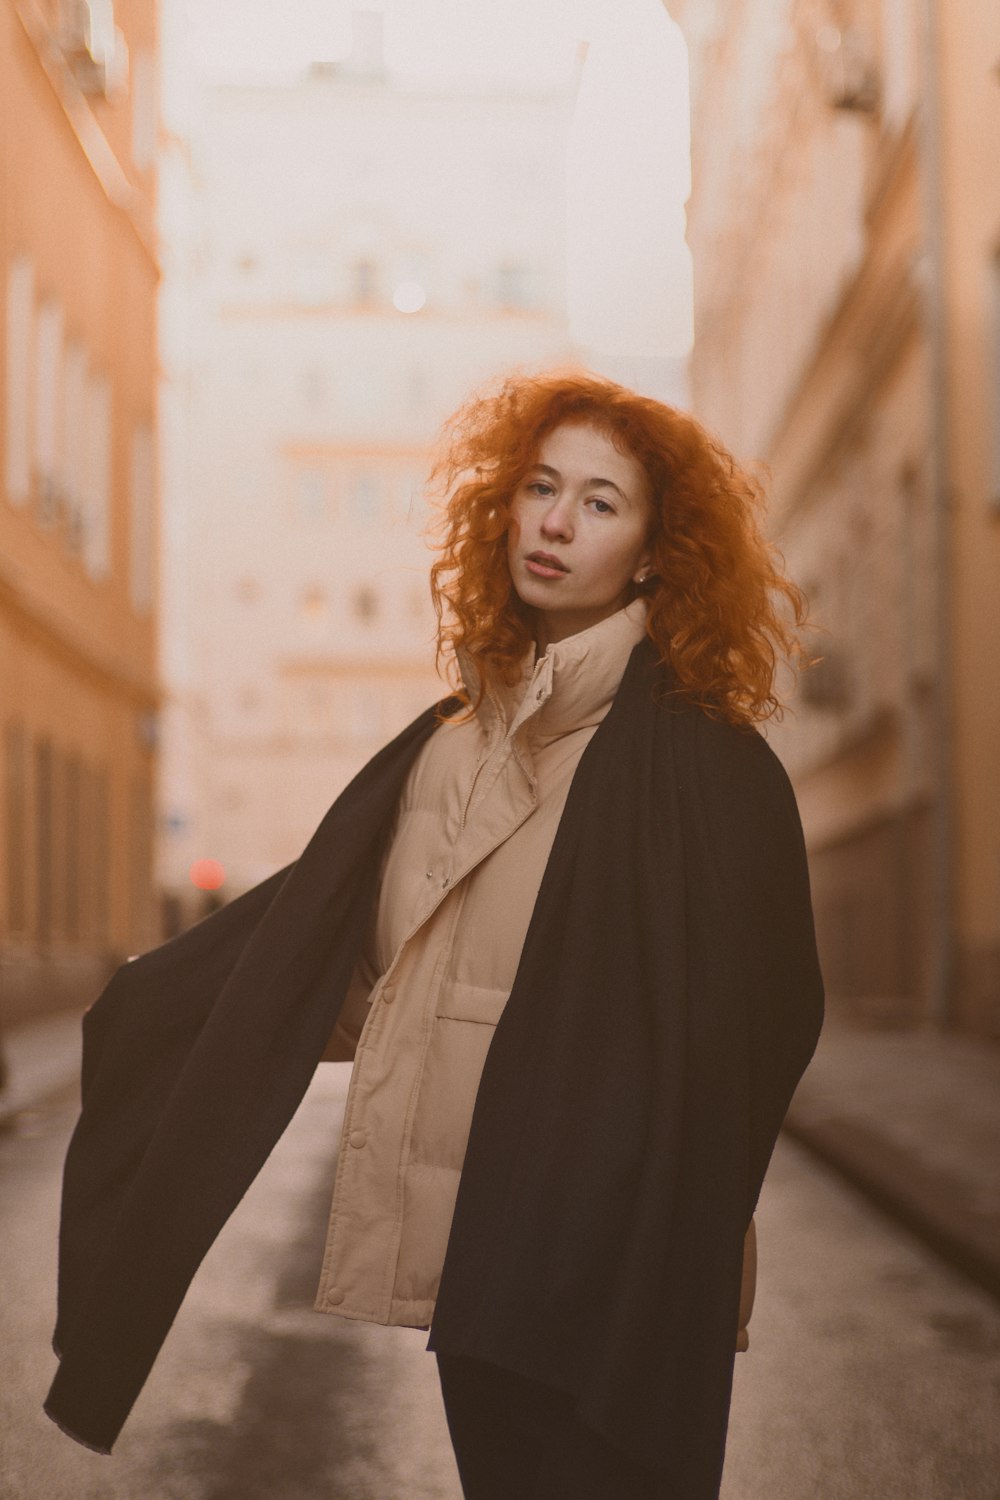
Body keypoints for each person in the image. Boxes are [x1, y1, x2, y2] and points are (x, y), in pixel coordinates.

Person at [45, 371, 824, 1499]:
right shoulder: (445, 752)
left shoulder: (707, 765)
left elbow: (768, 1018)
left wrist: (664, 1218)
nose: (555, 522)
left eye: (601, 503)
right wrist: (178, 1021)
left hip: (616, 1267)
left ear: (657, 552)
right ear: (502, 506)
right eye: (541, 487)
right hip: (477, 1265)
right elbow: (359, 969)